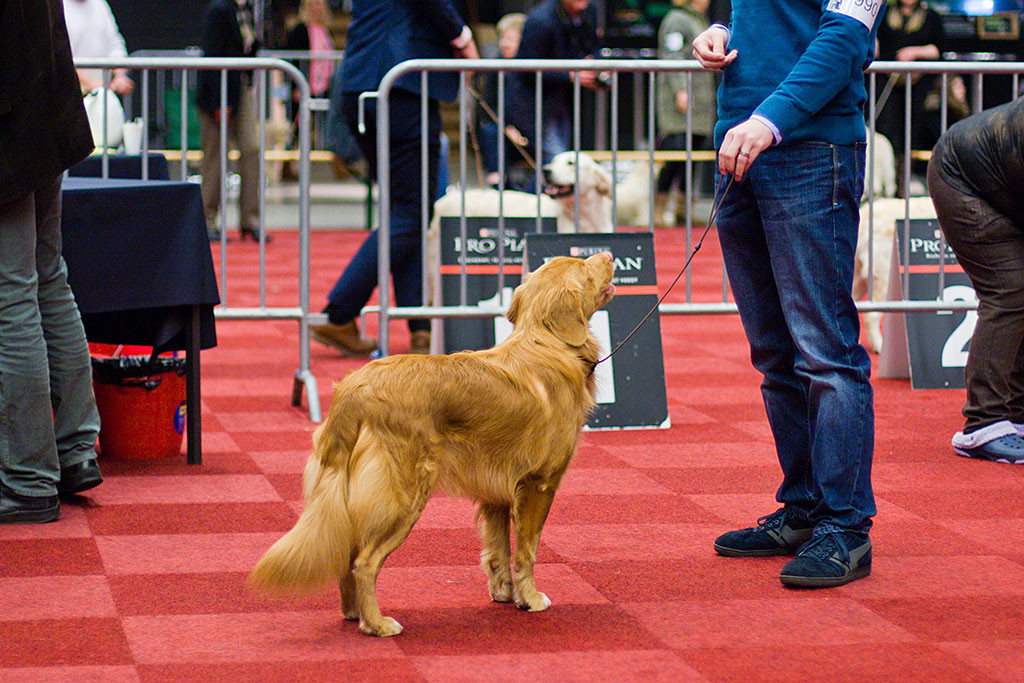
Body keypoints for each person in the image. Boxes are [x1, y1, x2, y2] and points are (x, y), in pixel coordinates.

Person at [692, 0, 884, 587]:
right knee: (776, 353)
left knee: (825, 352)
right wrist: (720, 30)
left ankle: (845, 527)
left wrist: (770, 119)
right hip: (741, 148)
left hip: (808, 148)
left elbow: (844, 39)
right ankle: (804, 509)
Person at [308, 0, 478, 357]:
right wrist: (461, 37)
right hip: (400, 86)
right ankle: (338, 314)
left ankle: (419, 329)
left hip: (367, 83)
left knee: (406, 212)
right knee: (411, 214)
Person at [1, 0, 104, 524]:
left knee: (11, 294)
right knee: (46, 279)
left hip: (11, 125)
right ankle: (75, 449)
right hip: (47, 111)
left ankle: (27, 479)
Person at [927, 97, 1024, 465]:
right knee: (1010, 290)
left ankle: (1016, 414)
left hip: (1003, 182)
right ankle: (984, 424)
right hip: (963, 178)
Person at [197, 0, 270, 243]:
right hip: (217, 92)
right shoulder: (219, 9)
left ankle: (250, 219)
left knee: (251, 148)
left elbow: (244, 49)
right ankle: (207, 218)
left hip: (238, 89)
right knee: (215, 157)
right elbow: (212, 55)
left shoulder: (243, 11)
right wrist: (219, 102)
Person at [506, 0, 602, 164]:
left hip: (564, 101)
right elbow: (526, 68)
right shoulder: (540, 20)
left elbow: (593, 46)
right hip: (535, 103)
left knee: (560, 160)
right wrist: (570, 75)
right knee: (557, 161)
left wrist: (596, 66)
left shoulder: (589, 11)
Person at [873, 0, 945, 193]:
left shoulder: (931, 16)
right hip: (887, 83)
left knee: (912, 131)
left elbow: (939, 50)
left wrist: (914, 51)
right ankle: (887, 185)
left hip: (918, 87)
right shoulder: (884, 14)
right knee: (886, 131)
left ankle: (904, 183)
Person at [656, 0, 716, 224]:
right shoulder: (677, 19)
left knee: (694, 155)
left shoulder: (699, 19)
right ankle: (658, 209)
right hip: (681, 102)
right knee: (675, 153)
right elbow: (672, 56)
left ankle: (683, 210)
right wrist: (680, 89)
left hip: (700, 101)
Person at [477, 12, 528, 188]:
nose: (504, 44)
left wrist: (521, 127)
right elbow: (487, 107)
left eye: (511, 39)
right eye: (502, 38)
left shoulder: (536, 67)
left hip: (531, 130)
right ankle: (498, 181)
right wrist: (507, 126)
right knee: (491, 131)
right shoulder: (495, 67)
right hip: (505, 131)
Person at [62, 0, 134, 96]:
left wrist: (120, 76)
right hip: (71, 95)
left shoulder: (100, 4)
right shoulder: (58, 7)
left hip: (101, 95)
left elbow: (115, 44)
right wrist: (91, 84)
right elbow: (61, 55)